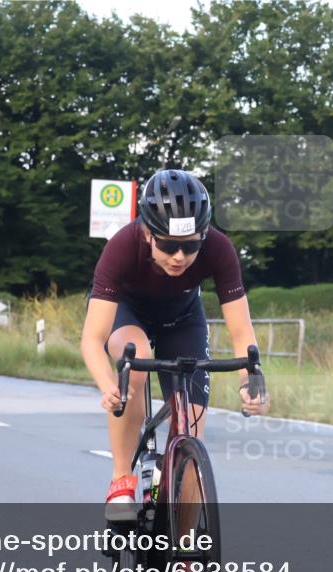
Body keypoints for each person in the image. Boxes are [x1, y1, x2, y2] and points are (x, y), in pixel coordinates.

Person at [80, 169, 269, 523]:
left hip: (182, 320)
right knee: (136, 364)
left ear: (204, 236)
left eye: (191, 245)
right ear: (148, 233)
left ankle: (183, 554)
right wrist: (109, 384)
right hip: (128, 312)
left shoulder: (220, 249)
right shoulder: (122, 246)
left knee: (192, 432)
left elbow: (243, 332)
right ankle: (122, 479)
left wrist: (252, 382)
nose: (180, 256)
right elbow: (92, 338)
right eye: (168, 245)